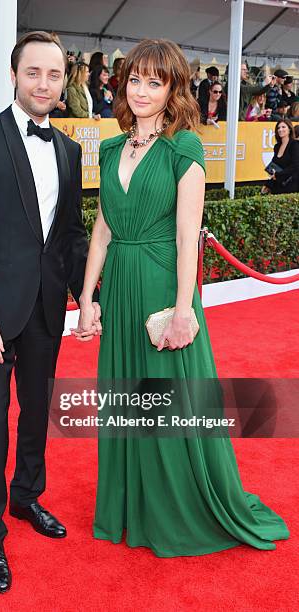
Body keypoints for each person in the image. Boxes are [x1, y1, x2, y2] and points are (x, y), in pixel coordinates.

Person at [72, 38, 289, 558]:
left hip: (160, 289)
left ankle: (176, 506)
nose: (141, 90)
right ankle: (129, 503)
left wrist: (184, 309)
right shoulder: (108, 147)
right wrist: (85, 297)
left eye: (155, 81)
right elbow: (102, 228)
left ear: (173, 90)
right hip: (120, 284)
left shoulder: (184, 147)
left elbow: (187, 235)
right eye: (135, 79)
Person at [0, 30, 96, 594]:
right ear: (14, 75)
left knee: (36, 413)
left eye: (55, 75)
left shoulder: (68, 149)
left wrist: (86, 295)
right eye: (34, 72)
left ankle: (26, 497)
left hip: (43, 310)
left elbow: (71, 235)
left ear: (65, 82)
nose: (44, 83)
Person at [261, 120, 299, 195]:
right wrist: (268, 184)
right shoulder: (277, 146)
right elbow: (274, 167)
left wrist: (278, 174)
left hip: (291, 187)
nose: (280, 130)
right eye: (278, 128)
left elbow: (295, 166)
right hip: (278, 186)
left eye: (283, 127)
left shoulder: (295, 144)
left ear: (289, 129)